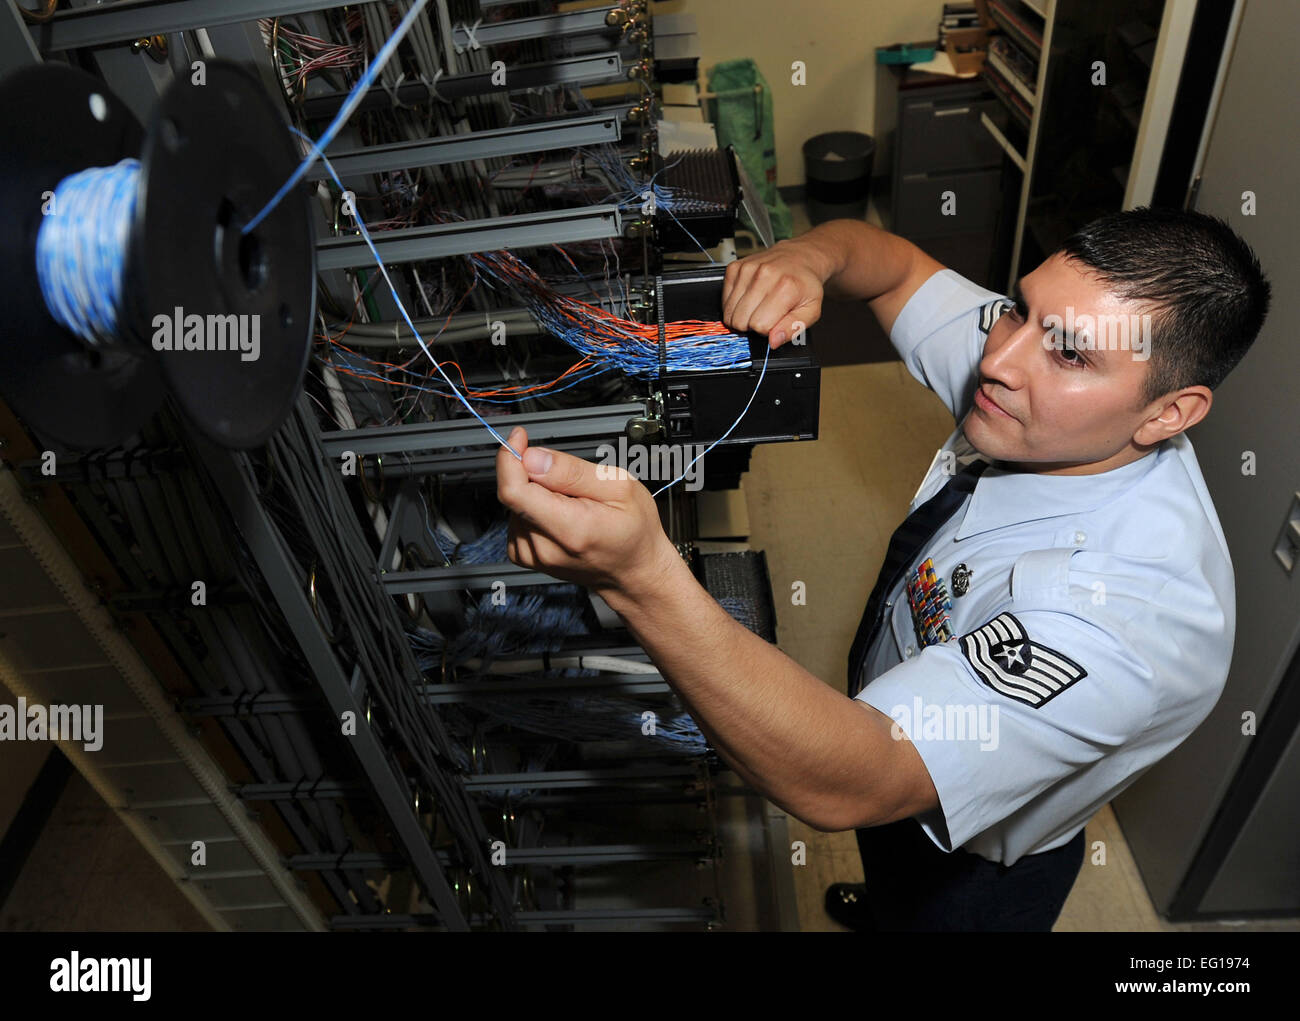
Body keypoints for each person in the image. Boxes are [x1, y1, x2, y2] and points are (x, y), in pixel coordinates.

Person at [494, 206, 1271, 931]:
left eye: (1068, 352)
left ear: (1168, 413)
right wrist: (806, 258)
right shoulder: (1037, 368)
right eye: (1019, 308)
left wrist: (641, 580)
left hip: (971, 863)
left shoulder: (1130, 616)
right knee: (885, 871)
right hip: (892, 728)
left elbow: (854, 777)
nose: (997, 357)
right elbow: (892, 265)